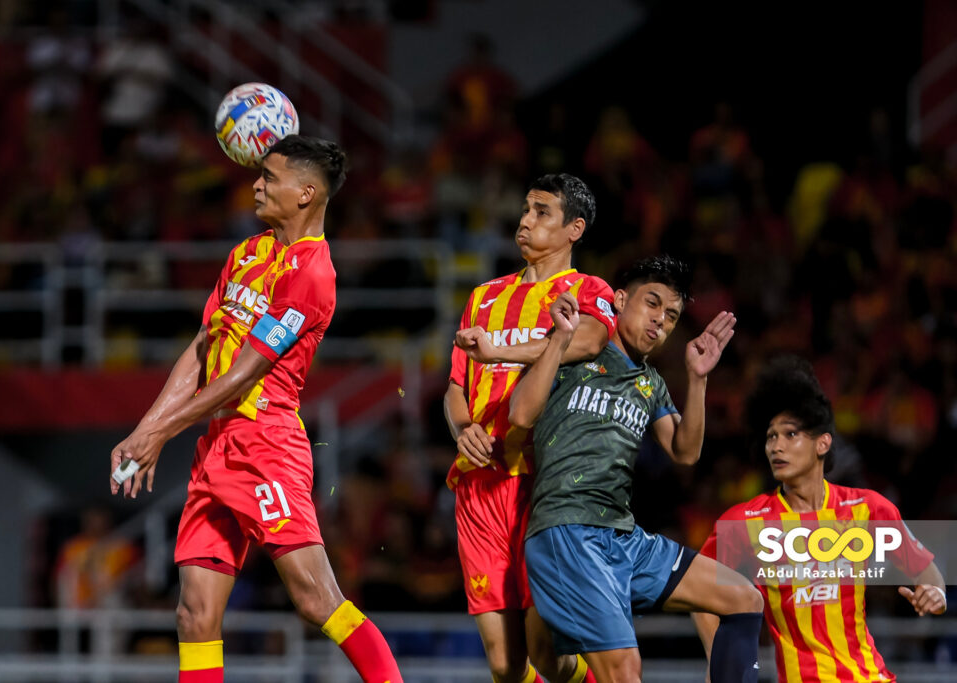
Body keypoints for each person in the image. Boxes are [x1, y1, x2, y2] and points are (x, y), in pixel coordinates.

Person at [109, 135, 403, 683]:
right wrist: (144, 430)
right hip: (215, 445)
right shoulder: (245, 254)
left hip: (265, 444)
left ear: (307, 193)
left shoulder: (312, 274)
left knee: (316, 598)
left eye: (270, 177)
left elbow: (247, 368)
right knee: (194, 614)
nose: (257, 184)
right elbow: (201, 350)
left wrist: (161, 435)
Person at [508, 255, 765, 683]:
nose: (660, 322)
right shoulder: (577, 350)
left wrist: (698, 378)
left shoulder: (650, 383)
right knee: (621, 670)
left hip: (622, 538)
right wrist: (558, 341)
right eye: (652, 304)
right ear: (620, 299)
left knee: (743, 597)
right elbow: (520, 414)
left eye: (671, 316)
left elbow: (685, 452)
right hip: (569, 529)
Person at [445, 173, 618, 683]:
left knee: (550, 652)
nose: (525, 221)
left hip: (545, 488)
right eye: (525, 209)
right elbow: (456, 385)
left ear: (574, 229)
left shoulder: (589, 291)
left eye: (542, 212)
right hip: (478, 488)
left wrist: (497, 349)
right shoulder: (483, 297)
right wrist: (461, 429)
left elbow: (586, 342)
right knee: (504, 664)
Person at [694, 356, 947, 683]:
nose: (776, 446)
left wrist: (935, 596)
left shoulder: (868, 509)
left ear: (822, 443)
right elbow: (697, 593)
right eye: (771, 437)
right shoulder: (744, 521)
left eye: (790, 434)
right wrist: (720, 663)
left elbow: (930, 576)